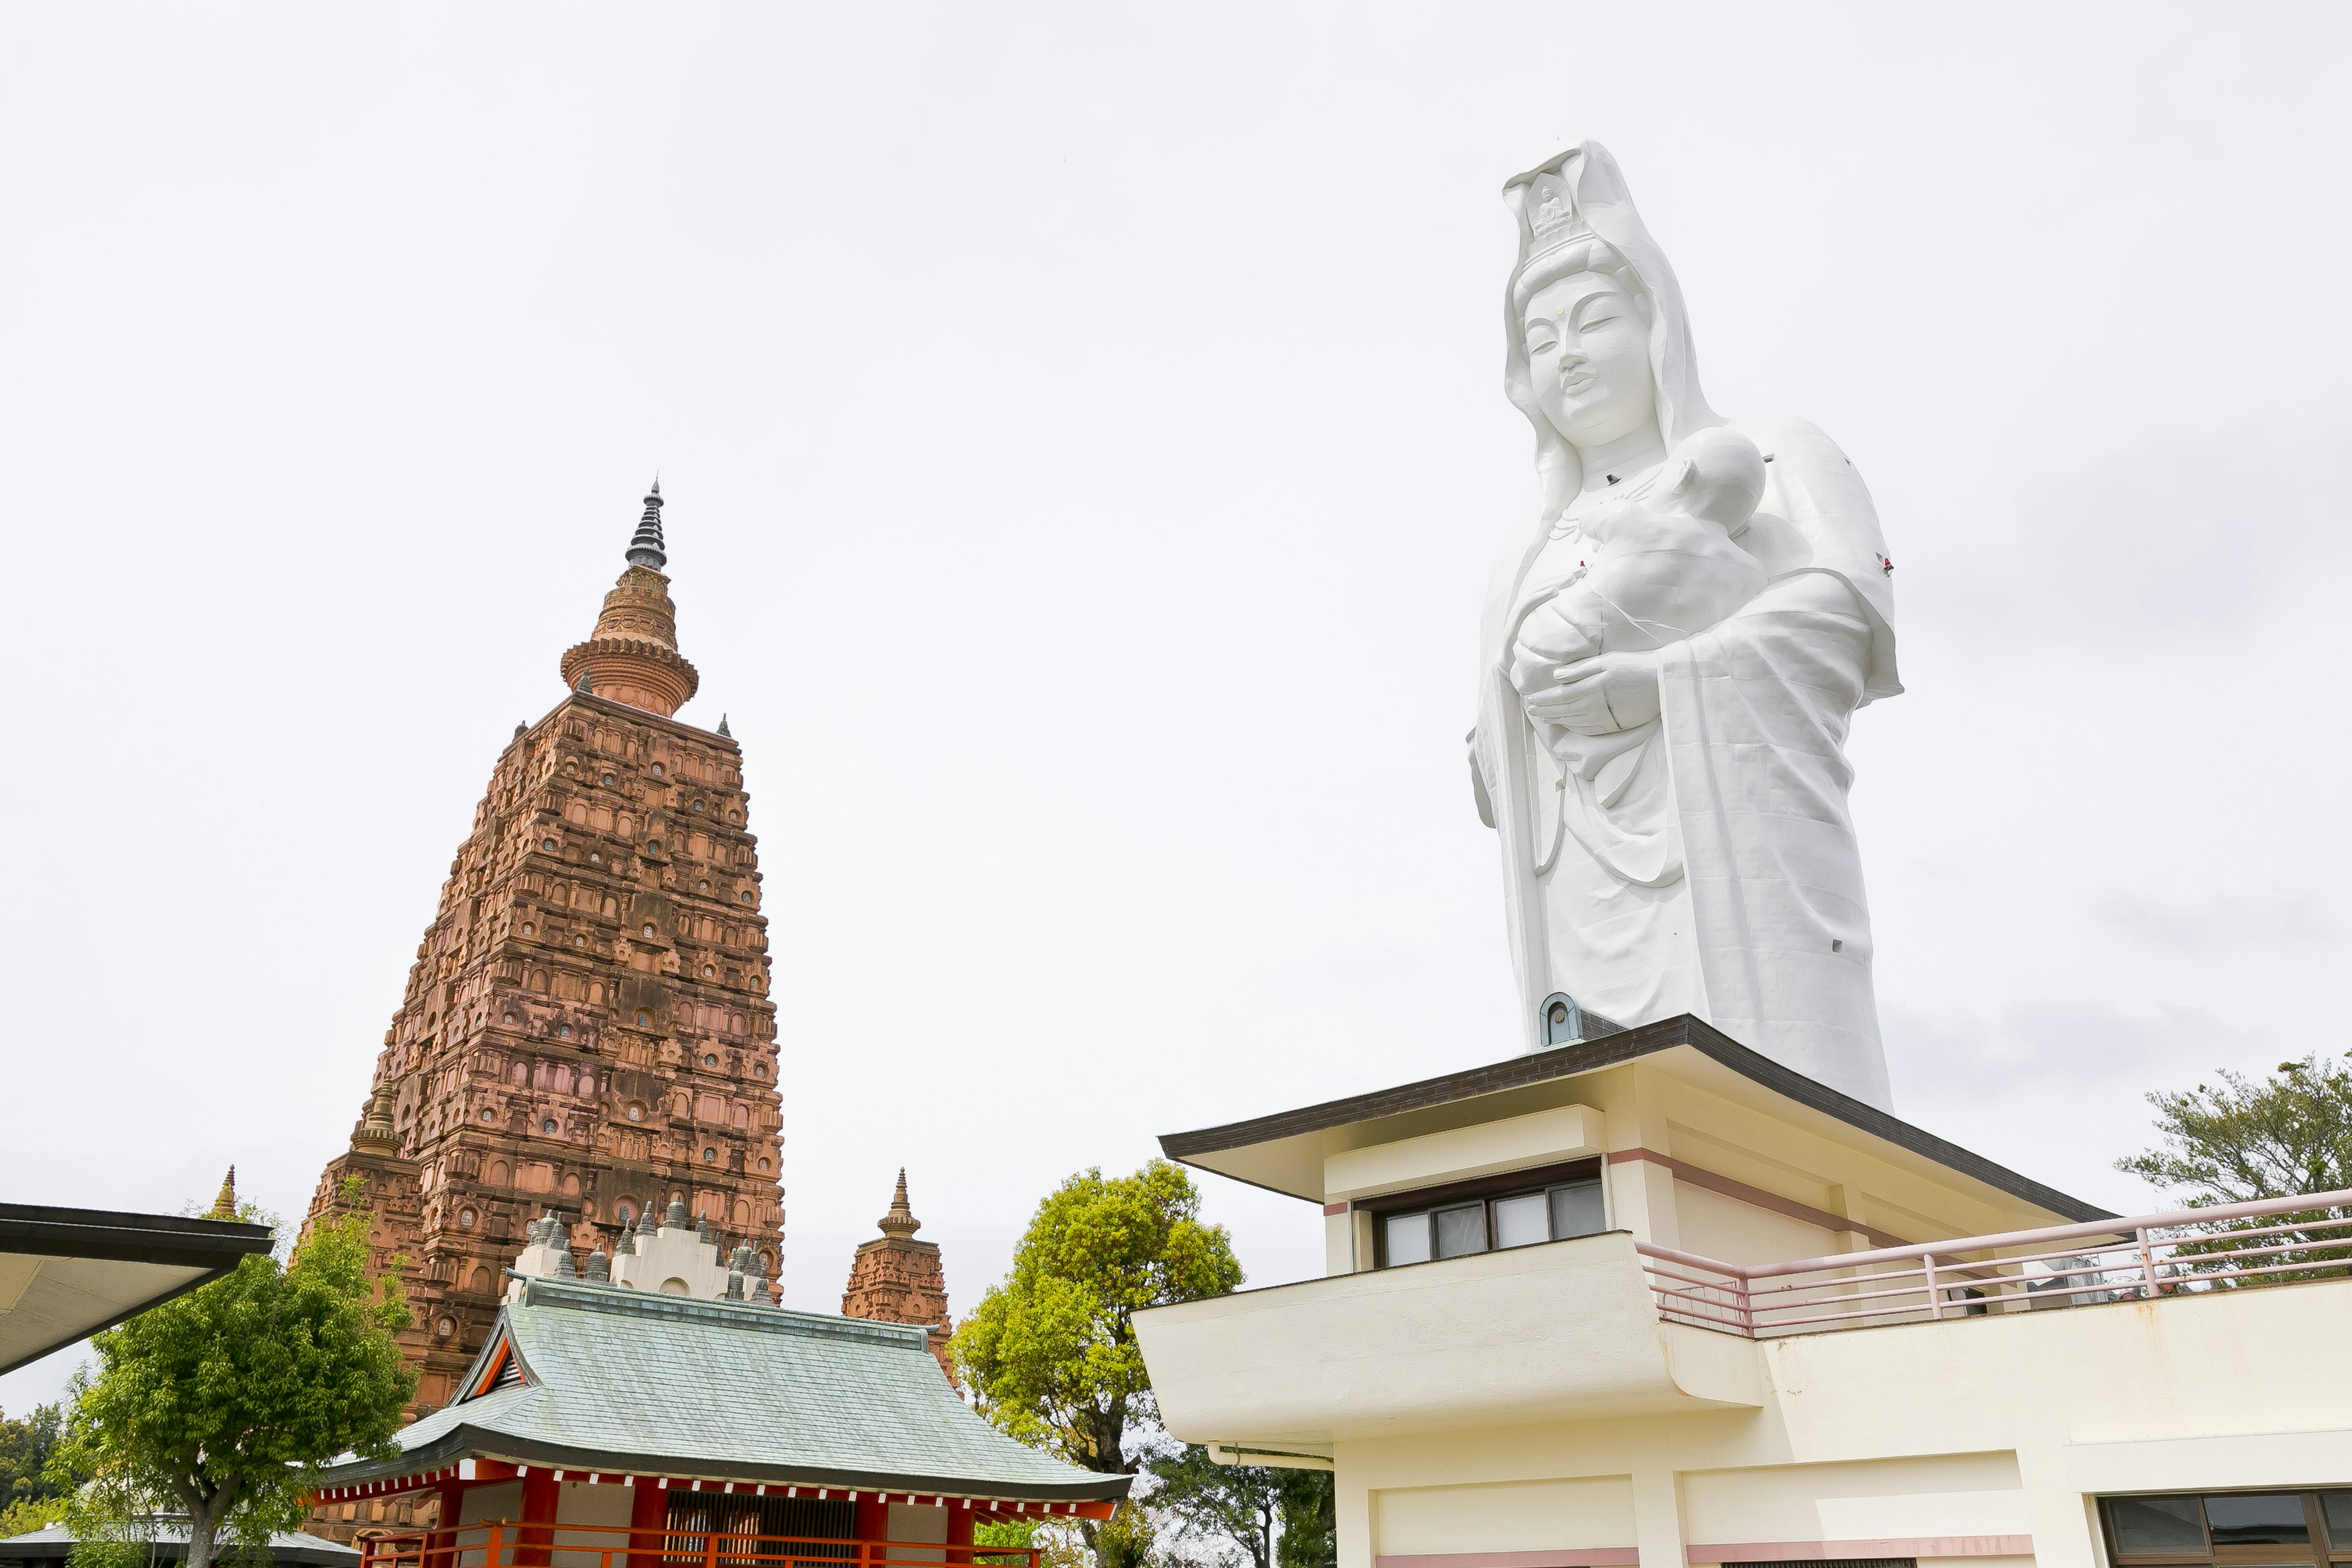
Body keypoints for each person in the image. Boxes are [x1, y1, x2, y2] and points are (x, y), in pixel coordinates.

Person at [1469, 143, 1901, 1109]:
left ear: (1657, 324)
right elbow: (1497, 757)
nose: (1568, 353)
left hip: (1737, 861)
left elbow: (1839, 617)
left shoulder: (1770, 454)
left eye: (1594, 320)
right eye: (1542, 341)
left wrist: (1658, 679)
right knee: (1612, 1119)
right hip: (1578, 882)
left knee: (1782, 1118)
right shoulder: (1521, 556)